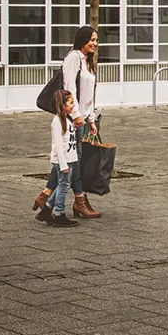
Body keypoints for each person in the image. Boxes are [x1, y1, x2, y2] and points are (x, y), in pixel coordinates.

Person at [61, 25, 104, 219]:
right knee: (73, 161)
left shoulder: (87, 61)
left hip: (83, 119)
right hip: (73, 119)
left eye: (96, 40)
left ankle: (48, 196)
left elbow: (89, 95)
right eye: (92, 40)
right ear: (82, 40)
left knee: (76, 160)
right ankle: (79, 200)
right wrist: (76, 115)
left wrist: (91, 119)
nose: (95, 43)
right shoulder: (74, 58)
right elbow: (69, 88)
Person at [39, 89, 80, 226]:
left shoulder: (68, 119)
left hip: (70, 158)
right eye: (71, 103)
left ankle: (47, 209)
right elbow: (57, 144)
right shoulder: (57, 121)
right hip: (63, 161)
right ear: (62, 105)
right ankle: (59, 213)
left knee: (63, 185)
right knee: (64, 186)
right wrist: (63, 164)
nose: (73, 106)